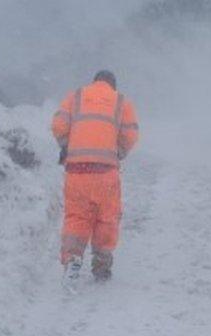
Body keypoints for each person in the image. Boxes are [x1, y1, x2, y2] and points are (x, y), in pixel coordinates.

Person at [51, 70, 139, 287]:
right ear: (113, 85)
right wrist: (118, 151)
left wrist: (66, 146)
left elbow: (58, 125)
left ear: (94, 82)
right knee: (106, 218)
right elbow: (130, 135)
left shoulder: (76, 96)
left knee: (76, 217)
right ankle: (101, 266)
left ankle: (72, 260)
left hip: (77, 171)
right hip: (105, 173)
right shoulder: (121, 101)